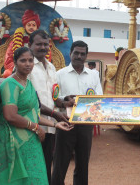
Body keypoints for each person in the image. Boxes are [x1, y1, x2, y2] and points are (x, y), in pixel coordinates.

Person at [0, 47, 72, 185]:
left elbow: (33, 114)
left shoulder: (28, 84)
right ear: (15, 62)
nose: (28, 64)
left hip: (31, 141)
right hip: (14, 142)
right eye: (23, 60)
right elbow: (10, 116)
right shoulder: (10, 84)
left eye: (30, 60)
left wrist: (55, 124)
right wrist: (36, 127)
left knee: (35, 179)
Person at [52, 40, 103, 185]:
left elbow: (99, 96)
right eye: (76, 53)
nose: (79, 56)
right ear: (70, 54)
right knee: (60, 163)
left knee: (82, 163)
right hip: (65, 123)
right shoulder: (60, 74)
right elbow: (55, 97)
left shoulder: (93, 75)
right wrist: (65, 99)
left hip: (86, 124)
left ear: (86, 56)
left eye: (82, 54)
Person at [28, 29, 69, 183]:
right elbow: (32, 102)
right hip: (32, 125)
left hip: (50, 126)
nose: (43, 47)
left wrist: (65, 102)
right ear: (29, 44)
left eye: (46, 44)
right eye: (39, 44)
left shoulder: (51, 67)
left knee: (45, 164)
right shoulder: (26, 65)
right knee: (32, 166)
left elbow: (54, 96)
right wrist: (55, 114)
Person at [3, 10, 51, 78]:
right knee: (7, 73)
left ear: (37, 27)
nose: (31, 27)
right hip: (19, 70)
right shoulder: (15, 41)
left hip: (39, 70)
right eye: (29, 25)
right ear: (25, 26)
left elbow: (47, 58)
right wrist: (21, 67)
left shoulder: (43, 44)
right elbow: (8, 60)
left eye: (33, 25)